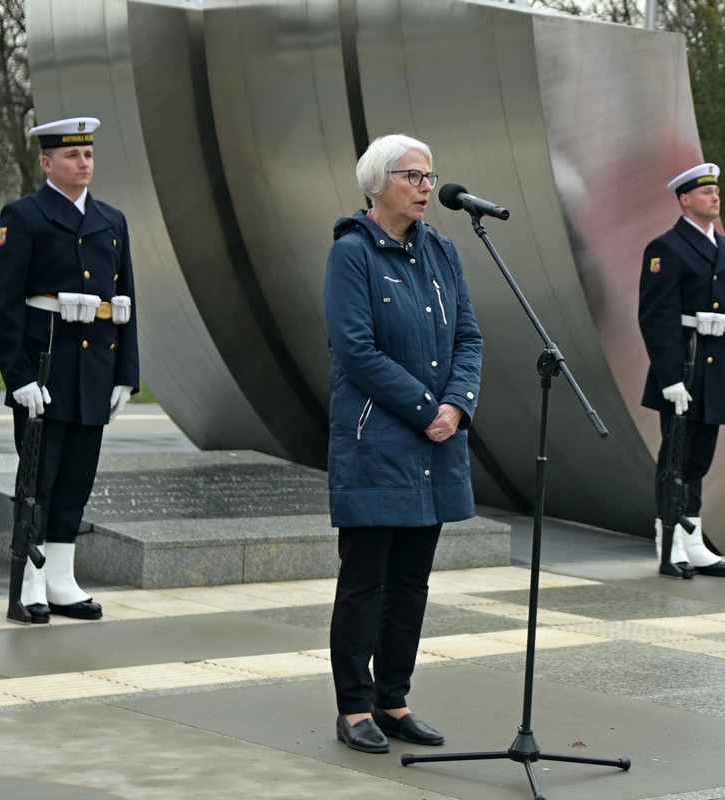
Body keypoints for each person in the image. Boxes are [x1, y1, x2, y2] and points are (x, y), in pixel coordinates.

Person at [323, 134, 483, 754]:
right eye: (414, 175)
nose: (425, 186)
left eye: (429, 175)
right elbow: (355, 350)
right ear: (378, 183)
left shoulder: (442, 250)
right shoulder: (352, 253)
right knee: (366, 578)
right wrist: (425, 409)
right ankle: (353, 707)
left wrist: (457, 405)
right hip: (376, 440)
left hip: (435, 442)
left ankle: (394, 698)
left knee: (412, 580)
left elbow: (469, 336)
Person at [0, 116, 139, 622]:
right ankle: (29, 582)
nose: (84, 163)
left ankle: (60, 579)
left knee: (77, 477)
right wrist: (19, 376)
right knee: (39, 479)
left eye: (89, 154)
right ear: (47, 162)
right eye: (72, 156)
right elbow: (3, 305)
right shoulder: (24, 216)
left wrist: (125, 374)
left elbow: (124, 301)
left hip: (94, 367)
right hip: (45, 369)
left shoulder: (112, 220)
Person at [638, 162, 725, 578]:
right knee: (676, 458)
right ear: (685, 200)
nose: (715, 197)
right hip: (684, 366)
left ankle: (694, 539)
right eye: (706, 192)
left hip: (717, 367)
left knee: (699, 459)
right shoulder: (666, 248)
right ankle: (670, 540)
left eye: (717, 190)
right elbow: (656, 317)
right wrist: (668, 377)